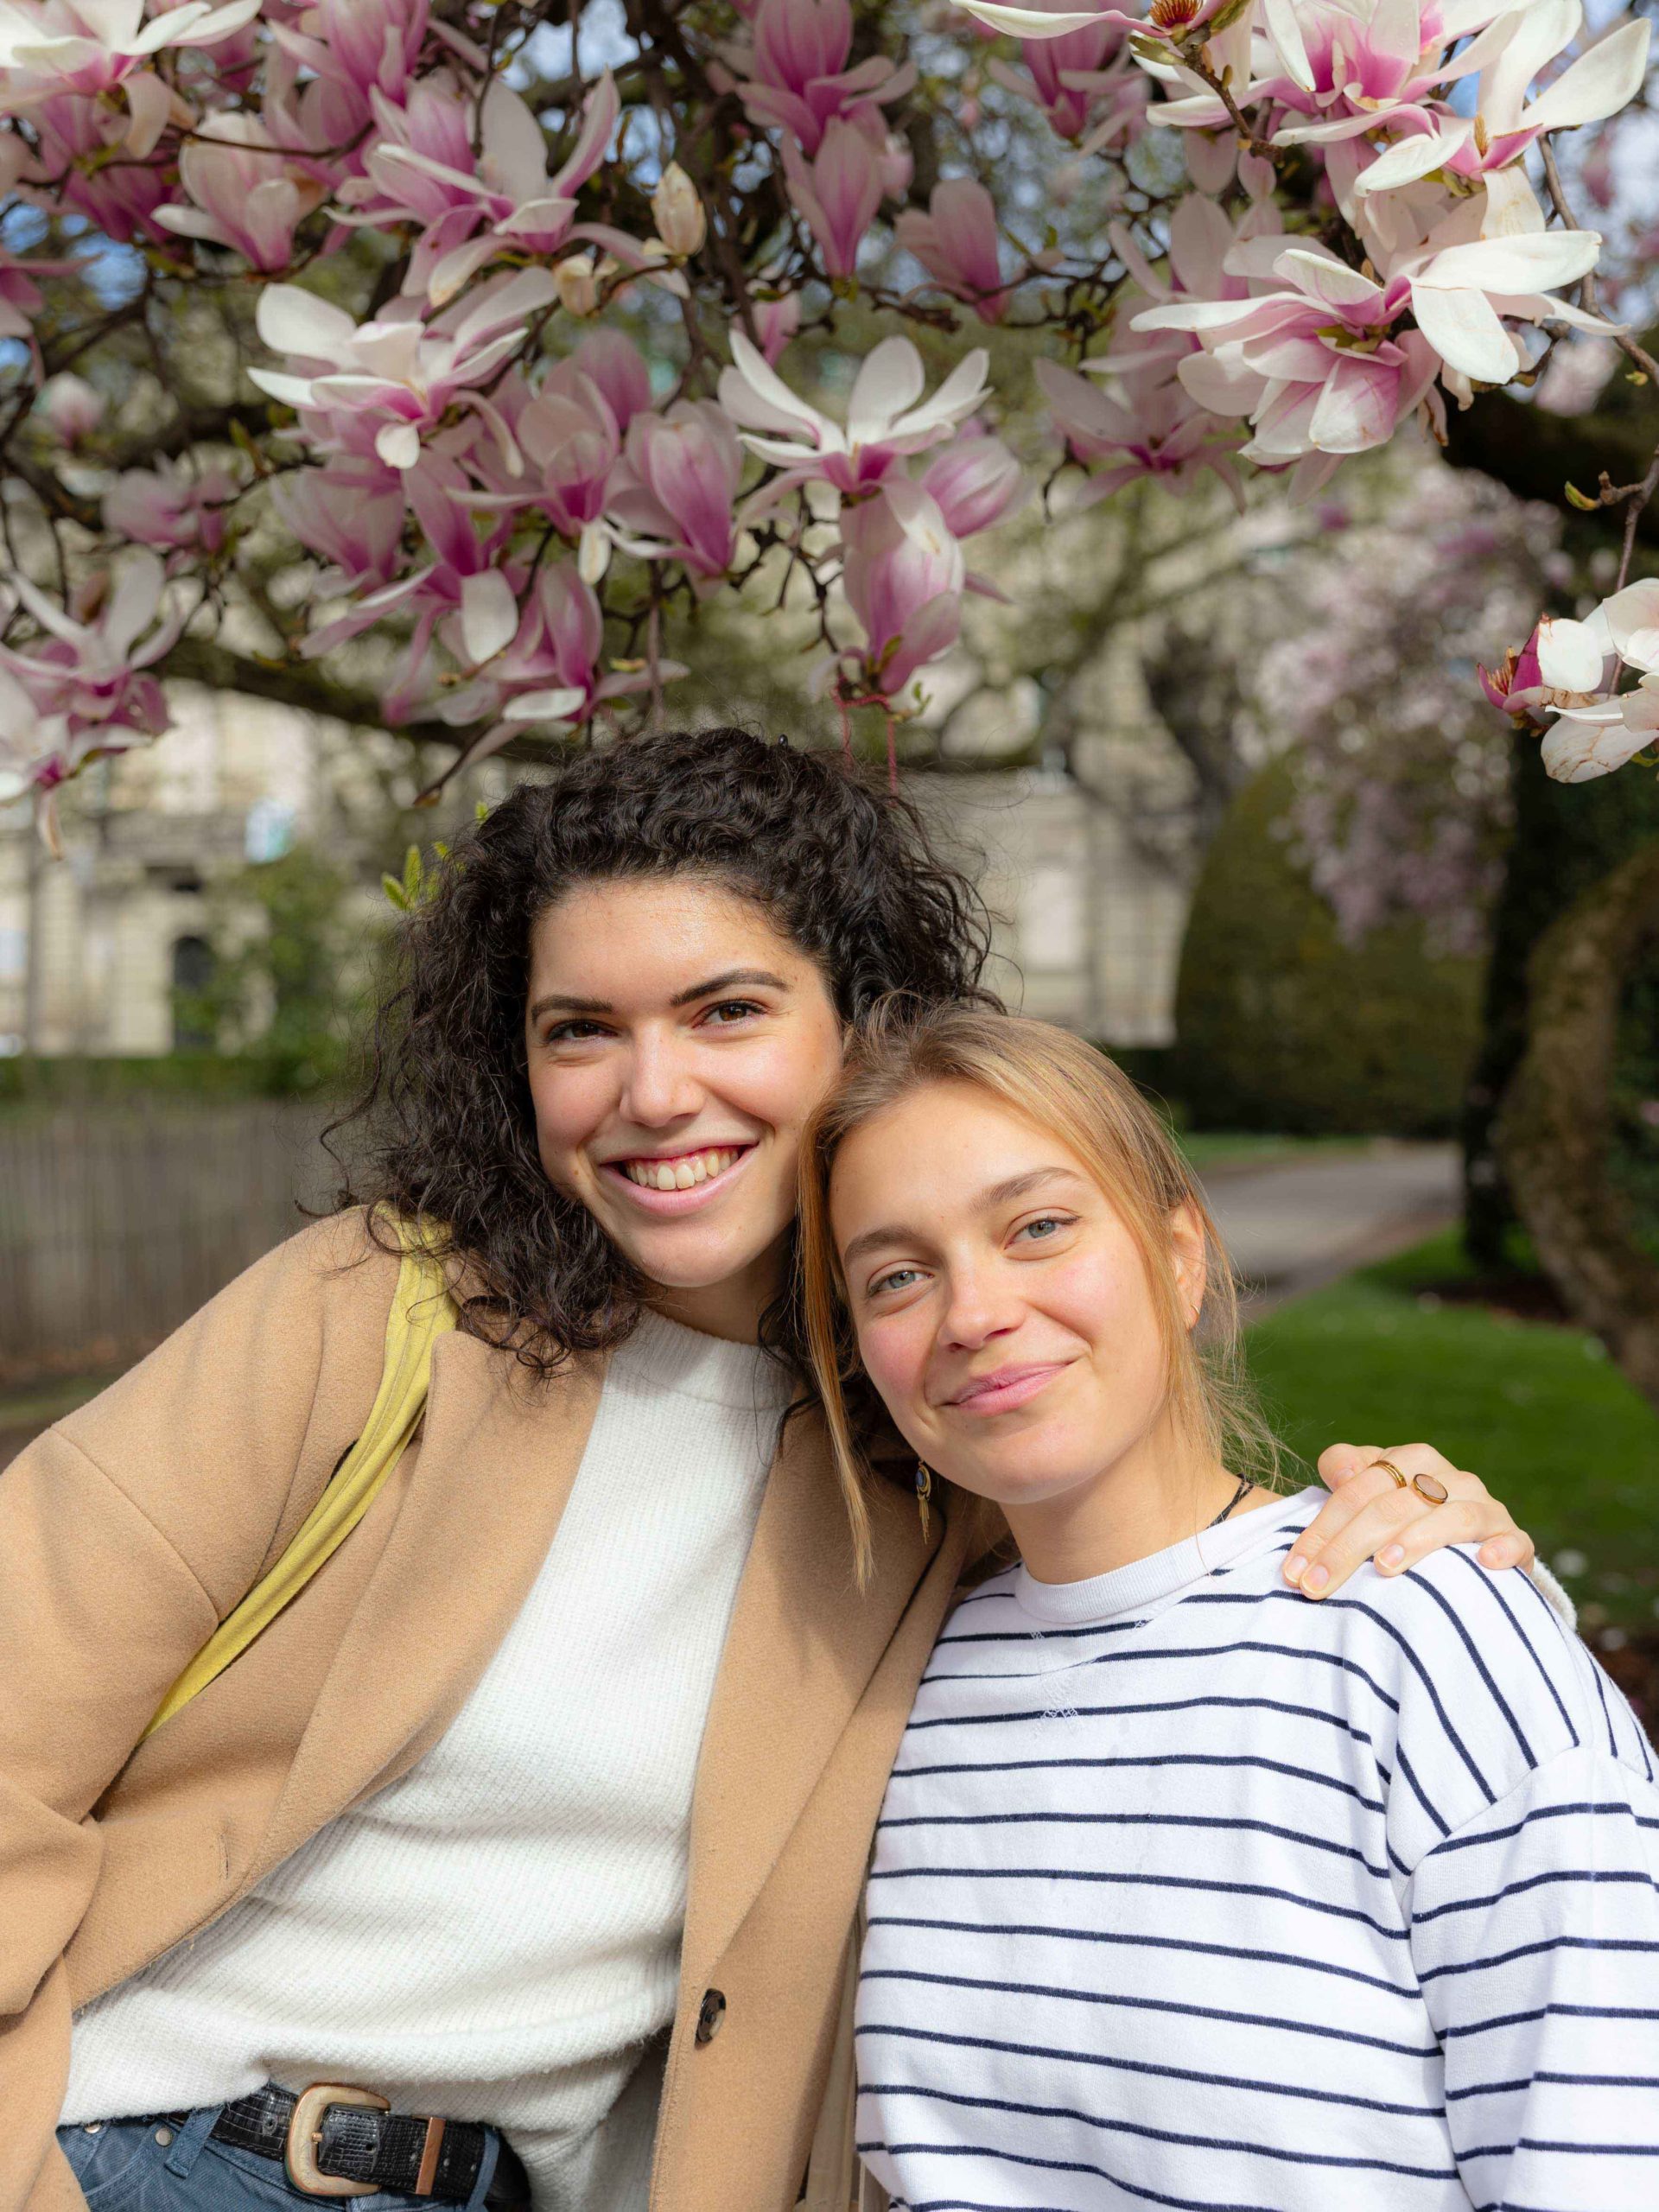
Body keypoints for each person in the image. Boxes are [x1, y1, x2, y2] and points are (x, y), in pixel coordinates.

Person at [3, 729, 1542, 2212]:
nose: (653, 1092)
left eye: (726, 1010)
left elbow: (1149, 1555)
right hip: (141, 2147)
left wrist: (1407, 1514)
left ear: (857, 1026)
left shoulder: (938, 1448)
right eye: (580, 1031)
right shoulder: (380, 1312)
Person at [796, 1003, 1658, 2212]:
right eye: (897, 1274)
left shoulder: (1419, 1628)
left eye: (1038, 1226)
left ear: (1182, 1255)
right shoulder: (899, 1690)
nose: (975, 1312)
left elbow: (1604, 2161)